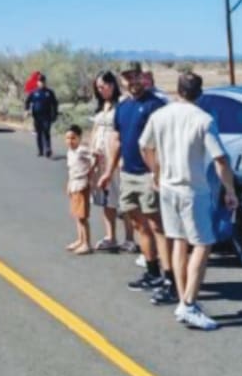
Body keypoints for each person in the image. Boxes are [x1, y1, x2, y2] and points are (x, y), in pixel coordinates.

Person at [139, 72, 238, 330]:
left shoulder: (160, 115)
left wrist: (156, 172)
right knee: (203, 244)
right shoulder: (203, 120)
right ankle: (189, 303)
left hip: (168, 187)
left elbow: (145, 146)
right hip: (193, 190)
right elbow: (220, 159)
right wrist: (230, 190)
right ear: (200, 93)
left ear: (178, 90)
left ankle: (184, 300)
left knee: (179, 241)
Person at [99, 61, 172, 300]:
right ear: (122, 80)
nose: (132, 81)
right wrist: (109, 171)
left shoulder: (155, 106)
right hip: (128, 174)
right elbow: (118, 141)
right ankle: (152, 272)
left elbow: (164, 143)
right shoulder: (123, 107)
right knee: (140, 225)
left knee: (157, 226)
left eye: (135, 76)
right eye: (127, 77)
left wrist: (158, 173)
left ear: (143, 77)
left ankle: (169, 278)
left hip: (149, 174)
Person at [88, 71, 125, 252]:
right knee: (106, 198)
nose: (100, 90)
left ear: (112, 85)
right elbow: (95, 129)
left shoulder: (121, 105)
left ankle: (130, 237)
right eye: (98, 88)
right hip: (100, 157)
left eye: (103, 87)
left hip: (116, 157)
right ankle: (111, 236)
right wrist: (91, 151)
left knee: (122, 198)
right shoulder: (102, 106)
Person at [64, 126, 96, 254]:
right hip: (74, 184)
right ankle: (80, 240)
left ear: (79, 138)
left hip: (81, 184)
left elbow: (95, 156)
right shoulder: (70, 152)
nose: (70, 141)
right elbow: (71, 170)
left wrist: (90, 172)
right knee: (77, 215)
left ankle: (87, 243)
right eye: (67, 138)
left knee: (82, 216)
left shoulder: (82, 150)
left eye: (73, 138)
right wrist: (68, 183)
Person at [24, 73, 59, 158]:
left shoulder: (49, 92)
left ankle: (48, 149)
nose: (41, 83)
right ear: (37, 82)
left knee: (46, 131)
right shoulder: (33, 92)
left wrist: (55, 114)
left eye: (43, 81)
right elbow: (27, 101)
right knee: (39, 133)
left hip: (47, 116)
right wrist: (26, 110)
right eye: (40, 81)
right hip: (37, 116)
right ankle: (40, 150)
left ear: (45, 82)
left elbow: (55, 104)